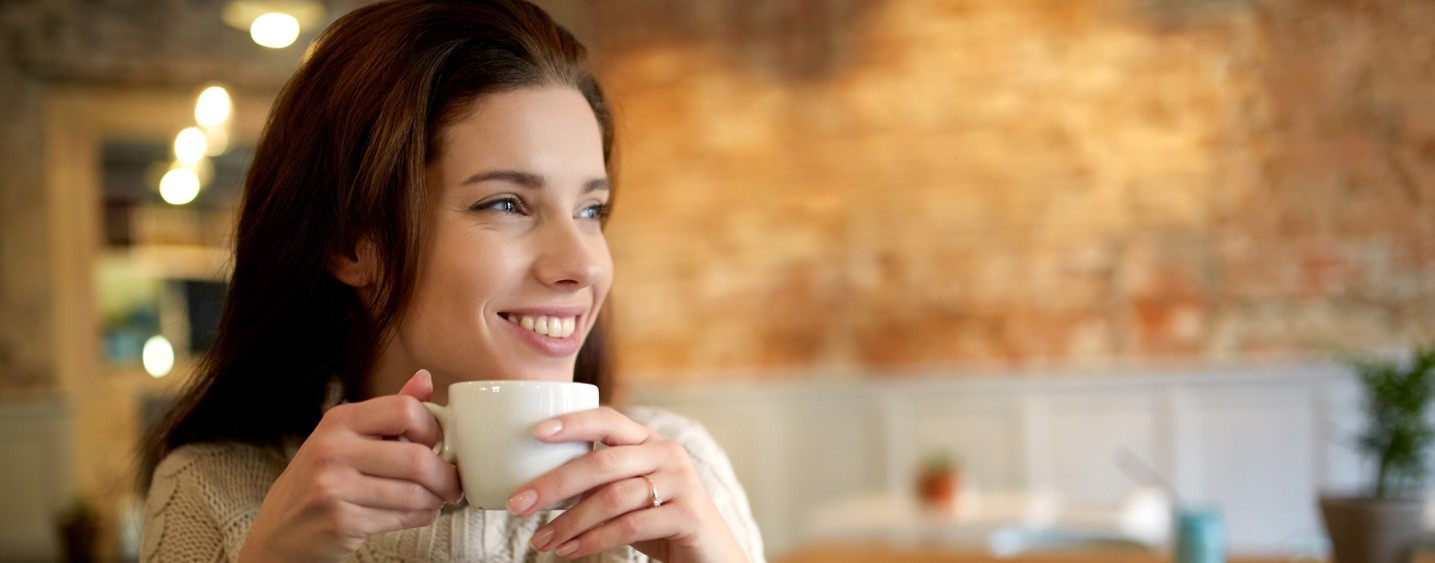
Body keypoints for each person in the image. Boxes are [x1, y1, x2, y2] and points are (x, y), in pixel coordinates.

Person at [139, 1, 764, 561]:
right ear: (353, 242)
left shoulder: (679, 477)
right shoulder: (211, 492)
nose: (582, 266)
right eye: (507, 204)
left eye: (590, 210)